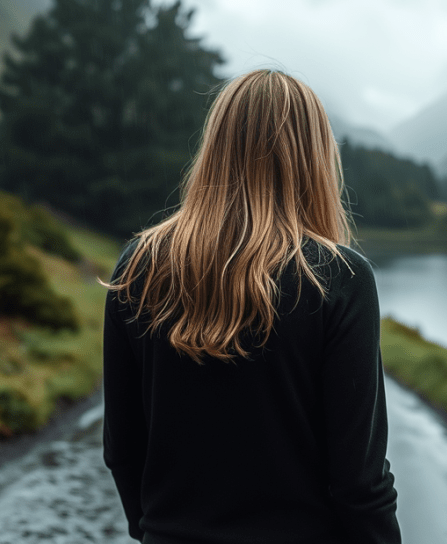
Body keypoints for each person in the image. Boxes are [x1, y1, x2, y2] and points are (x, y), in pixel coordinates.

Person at [102, 70, 401, 544]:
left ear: (216, 147)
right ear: (315, 160)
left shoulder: (139, 265)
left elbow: (123, 448)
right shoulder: (340, 278)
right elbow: (359, 482)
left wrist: (155, 529)